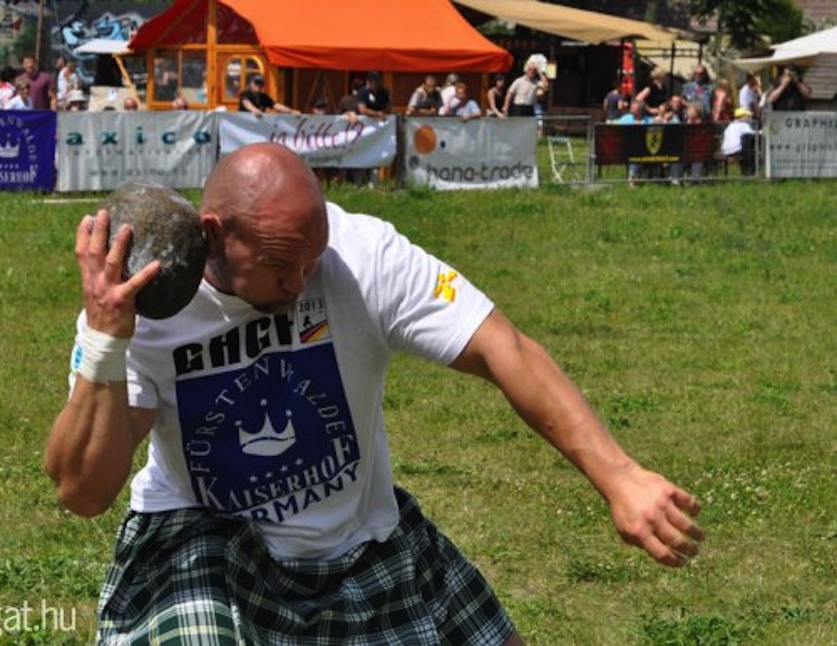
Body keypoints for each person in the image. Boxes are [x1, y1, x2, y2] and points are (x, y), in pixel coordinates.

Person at [44, 142, 705, 646]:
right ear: (215, 234)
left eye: (312, 258)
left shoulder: (361, 255)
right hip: (210, 542)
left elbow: (507, 350)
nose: (302, 281)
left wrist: (618, 476)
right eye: (280, 265)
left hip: (360, 538)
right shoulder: (144, 308)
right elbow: (83, 490)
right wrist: (107, 340)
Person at [721, 107, 757, 175]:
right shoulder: (743, 125)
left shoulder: (730, 125)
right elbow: (752, 133)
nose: (749, 118)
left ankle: (746, 172)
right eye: (747, 116)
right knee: (750, 149)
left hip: (726, 150)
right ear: (741, 117)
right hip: (737, 149)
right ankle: (750, 172)